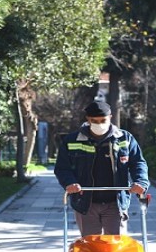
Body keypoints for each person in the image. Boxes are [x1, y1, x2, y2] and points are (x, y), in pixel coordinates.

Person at [54, 100, 149, 236]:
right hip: (85, 203)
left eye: (103, 120)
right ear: (88, 119)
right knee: (90, 244)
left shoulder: (125, 138)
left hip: (115, 202)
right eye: (94, 121)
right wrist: (69, 183)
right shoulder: (71, 141)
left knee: (116, 244)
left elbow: (138, 163)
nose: (99, 124)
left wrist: (141, 182)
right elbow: (62, 168)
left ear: (110, 117)